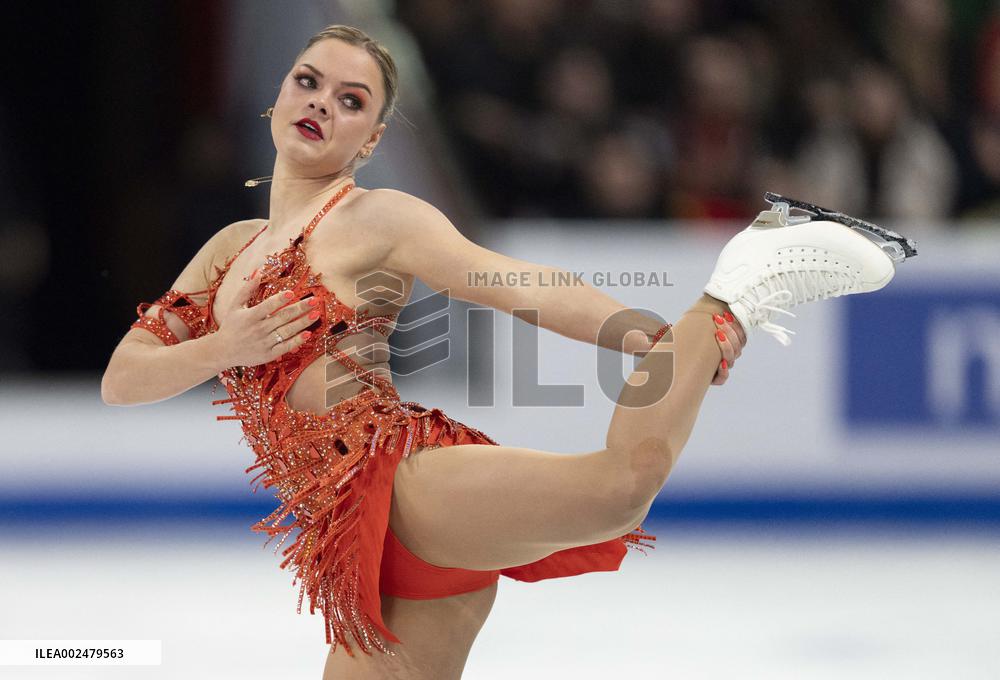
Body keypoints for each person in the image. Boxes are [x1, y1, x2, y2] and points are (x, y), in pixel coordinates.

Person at [101, 25, 909, 680]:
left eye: (352, 101)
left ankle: (733, 294)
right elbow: (123, 379)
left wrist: (648, 337)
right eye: (309, 81)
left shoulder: (377, 218)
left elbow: (517, 282)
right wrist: (224, 344)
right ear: (280, 95)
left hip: (401, 483)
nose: (322, 104)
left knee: (618, 489)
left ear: (371, 139)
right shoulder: (227, 251)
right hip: (353, 541)